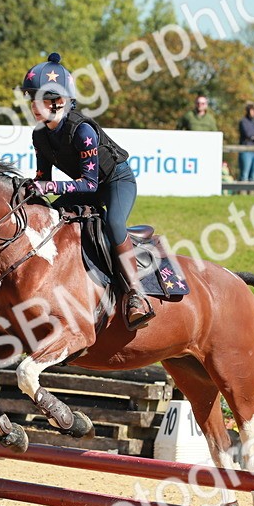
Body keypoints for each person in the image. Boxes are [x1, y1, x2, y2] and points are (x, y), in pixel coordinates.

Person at [21, 53, 154, 330]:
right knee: (50, 216)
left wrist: (49, 187)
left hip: (115, 182)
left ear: (59, 101)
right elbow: (43, 178)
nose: (34, 106)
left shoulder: (83, 131)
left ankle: (136, 294)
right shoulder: (39, 135)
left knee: (114, 223)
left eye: (41, 99)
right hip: (87, 186)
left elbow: (90, 184)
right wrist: (25, 192)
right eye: (32, 99)